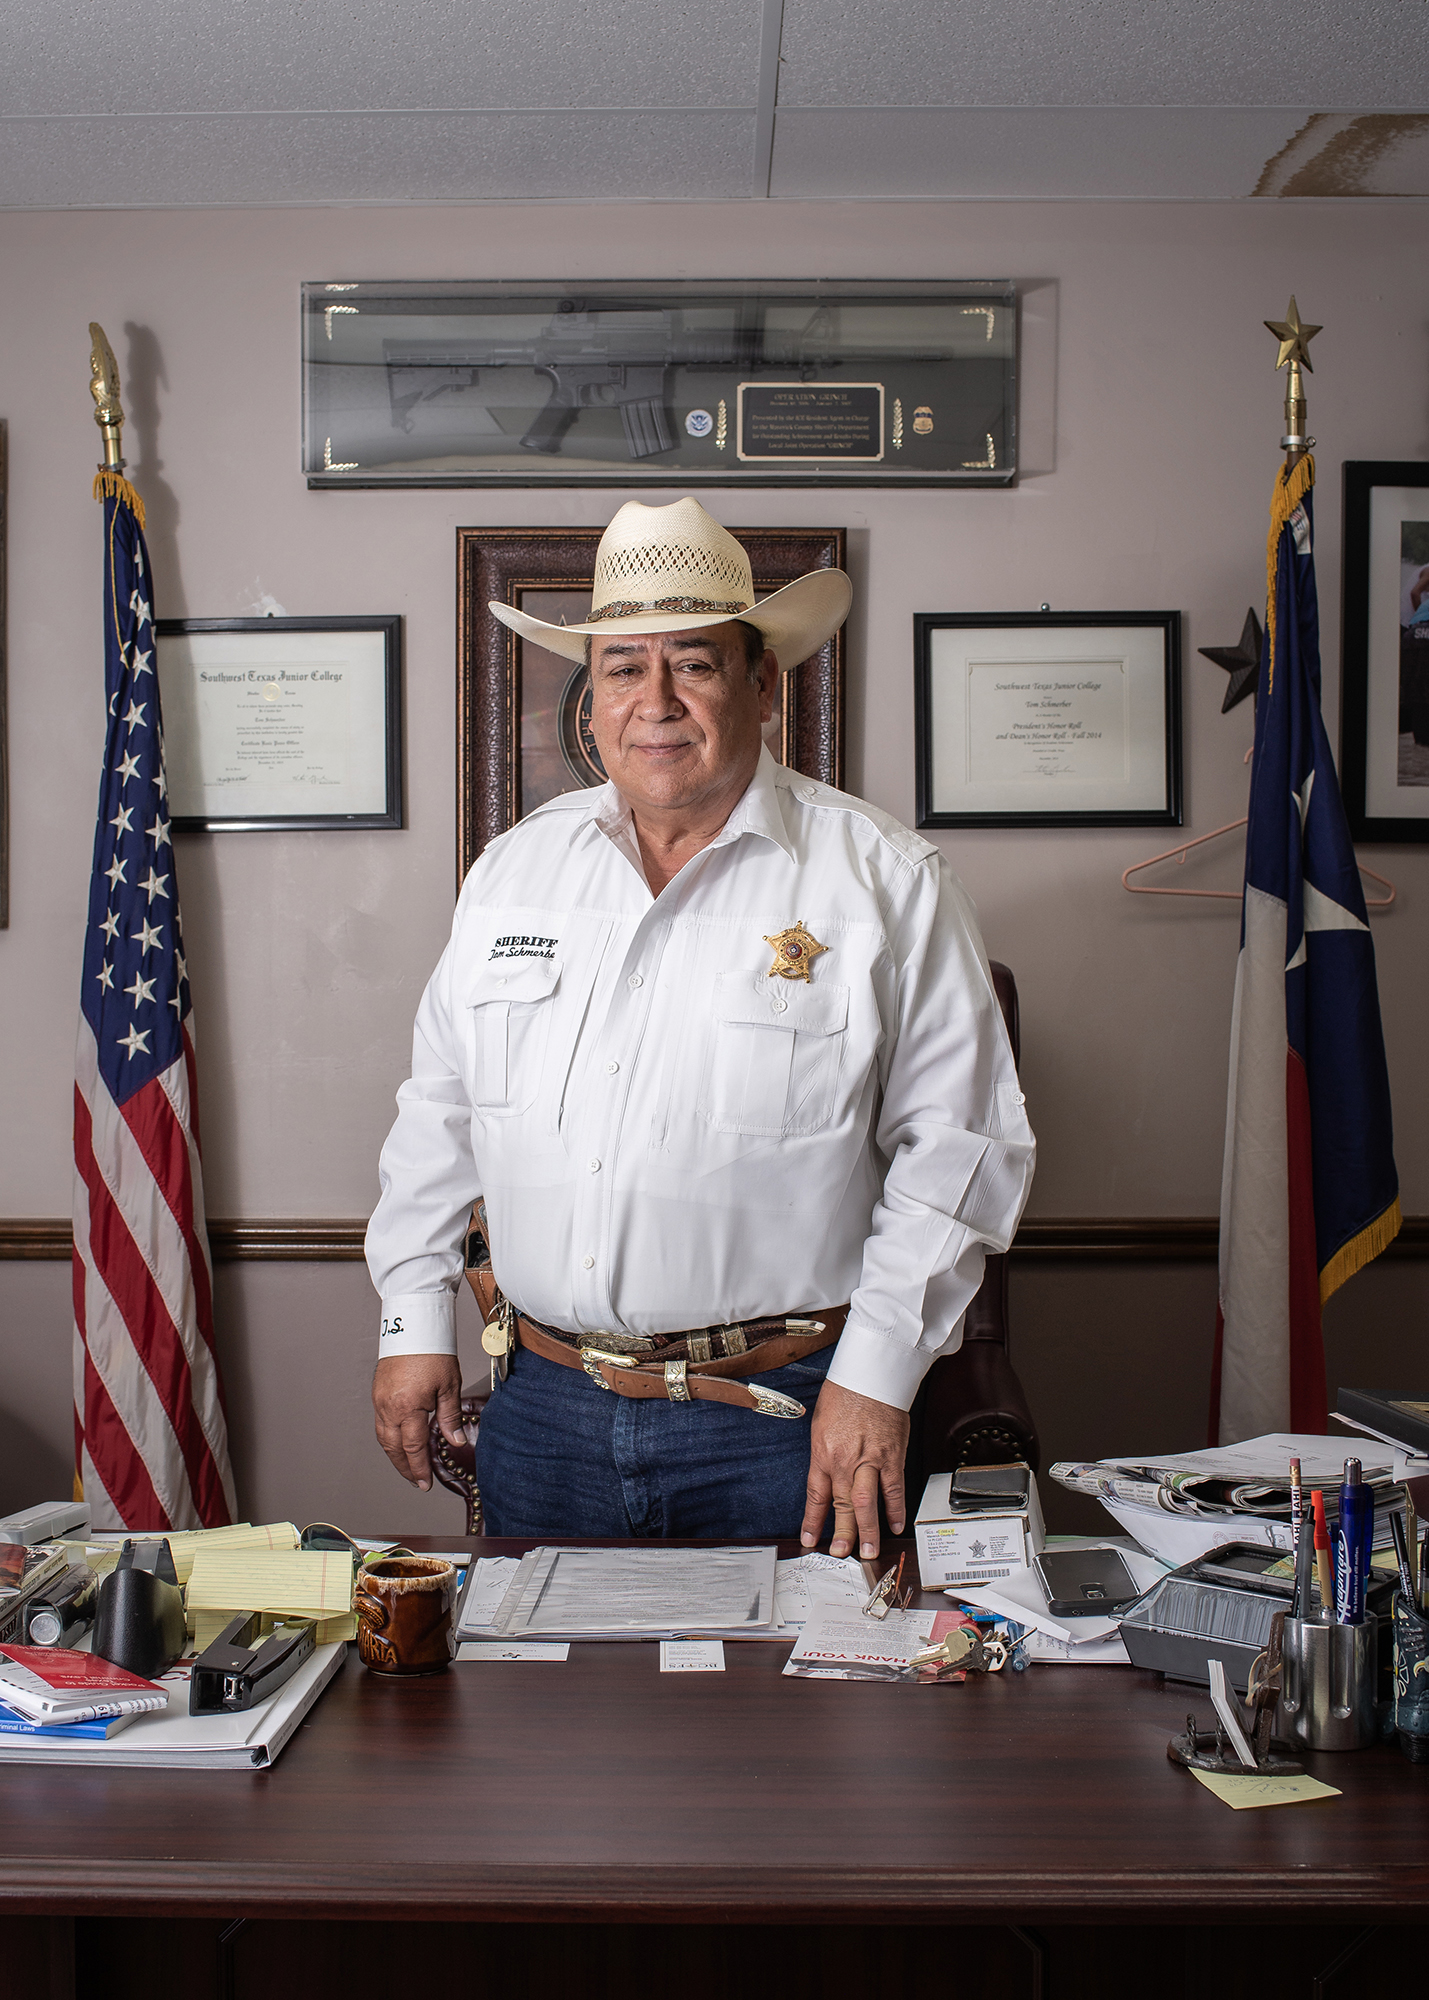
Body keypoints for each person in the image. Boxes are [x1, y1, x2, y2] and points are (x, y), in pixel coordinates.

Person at [366, 498, 1034, 1560]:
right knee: (539, 1723)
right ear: (593, 696)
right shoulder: (512, 875)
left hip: (785, 1418)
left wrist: (874, 1378)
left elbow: (961, 1149)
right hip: (546, 1412)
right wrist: (410, 1316)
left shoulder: (883, 879)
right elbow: (439, 1114)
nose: (656, 701)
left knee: (792, 1725)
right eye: (624, 666)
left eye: (695, 663)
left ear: (763, 683)